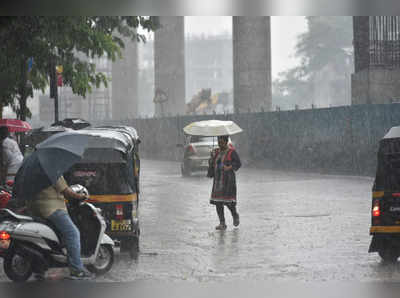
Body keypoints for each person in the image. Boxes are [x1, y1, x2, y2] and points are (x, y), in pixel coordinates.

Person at [27, 175, 94, 280]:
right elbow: (66, 192)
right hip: (53, 209)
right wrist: (81, 197)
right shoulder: (52, 170)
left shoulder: (33, 172)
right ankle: (77, 270)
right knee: (73, 233)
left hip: (35, 209)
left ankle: (40, 267)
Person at [207, 135, 241, 230]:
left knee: (229, 202)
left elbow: (238, 163)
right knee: (218, 203)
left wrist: (229, 167)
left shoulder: (231, 152)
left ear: (226, 142)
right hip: (218, 182)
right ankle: (222, 223)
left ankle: (234, 214)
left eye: (221, 142)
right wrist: (212, 158)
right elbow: (212, 164)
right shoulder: (216, 152)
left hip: (228, 182)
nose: (220, 144)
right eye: (219, 142)